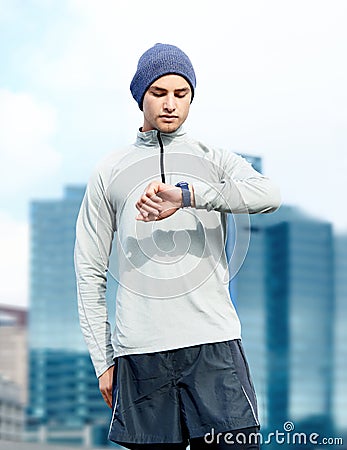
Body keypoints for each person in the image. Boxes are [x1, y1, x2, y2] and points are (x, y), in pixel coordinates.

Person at [74, 43, 281, 450]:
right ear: (140, 97)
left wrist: (190, 196)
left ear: (191, 98)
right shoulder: (109, 170)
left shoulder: (214, 159)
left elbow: (268, 194)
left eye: (181, 94)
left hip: (213, 346)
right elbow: (89, 268)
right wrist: (104, 360)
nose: (171, 104)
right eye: (159, 93)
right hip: (141, 354)